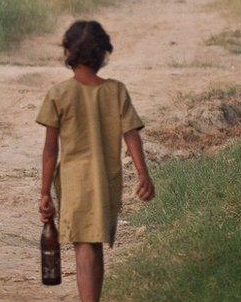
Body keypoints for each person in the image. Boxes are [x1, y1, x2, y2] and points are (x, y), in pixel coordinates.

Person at [37, 20, 154, 302]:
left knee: (84, 245)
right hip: (105, 179)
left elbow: (50, 150)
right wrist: (143, 175)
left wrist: (44, 192)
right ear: (103, 53)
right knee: (93, 243)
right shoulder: (116, 91)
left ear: (68, 52)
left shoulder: (59, 94)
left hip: (74, 182)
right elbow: (131, 136)